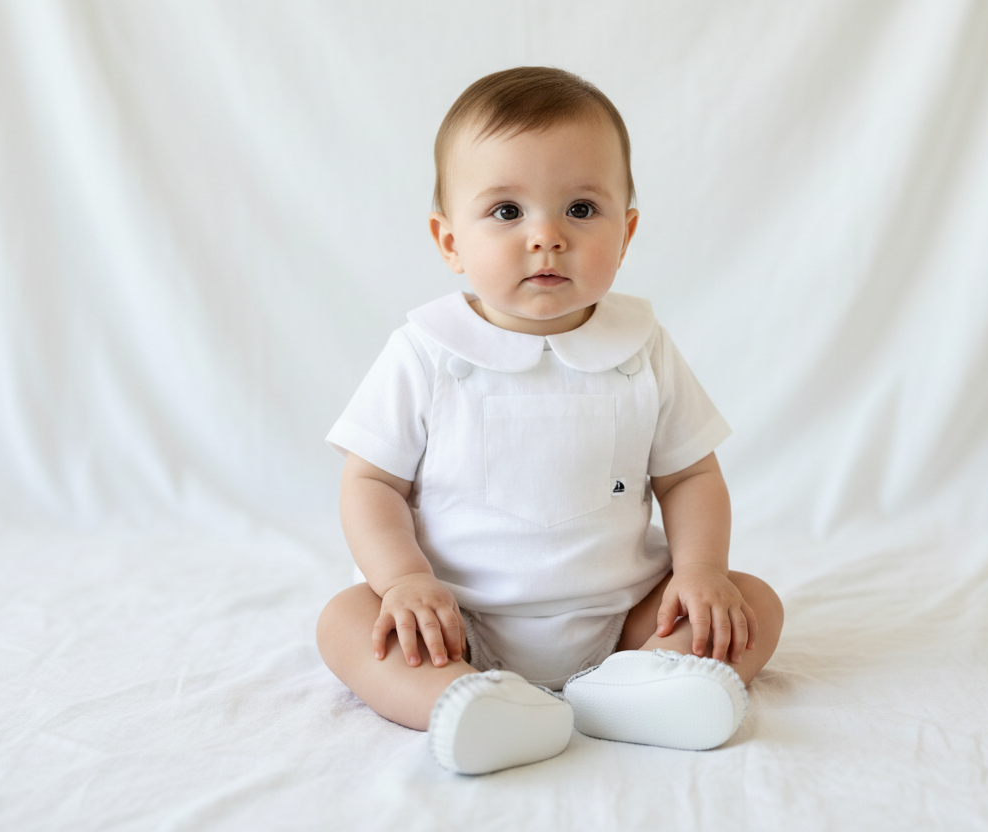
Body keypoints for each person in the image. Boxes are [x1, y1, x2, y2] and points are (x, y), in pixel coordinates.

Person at [316, 66, 783, 775]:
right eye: (507, 211)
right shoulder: (425, 351)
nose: (546, 237)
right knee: (346, 623)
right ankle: (460, 701)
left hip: (626, 618)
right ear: (449, 241)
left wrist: (701, 571)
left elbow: (689, 474)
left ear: (626, 233)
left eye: (581, 210)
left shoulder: (642, 346)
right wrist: (405, 579)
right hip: (456, 621)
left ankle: (642, 683)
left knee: (753, 604)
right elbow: (370, 482)